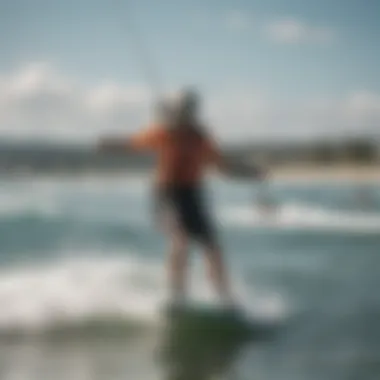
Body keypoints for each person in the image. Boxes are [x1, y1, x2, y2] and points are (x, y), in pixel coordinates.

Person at [98, 88, 264, 309]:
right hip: (166, 194)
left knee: (212, 246)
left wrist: (249, 173)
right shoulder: (163, 132)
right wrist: (107, 144)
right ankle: (176, 295)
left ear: (193, 112)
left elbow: (223, 166)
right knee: (181, 239)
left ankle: (225, 297)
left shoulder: (201, 138)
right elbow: (133, 144)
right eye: (179, 111)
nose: (182, 115)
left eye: (186, 110)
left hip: (193, 194)